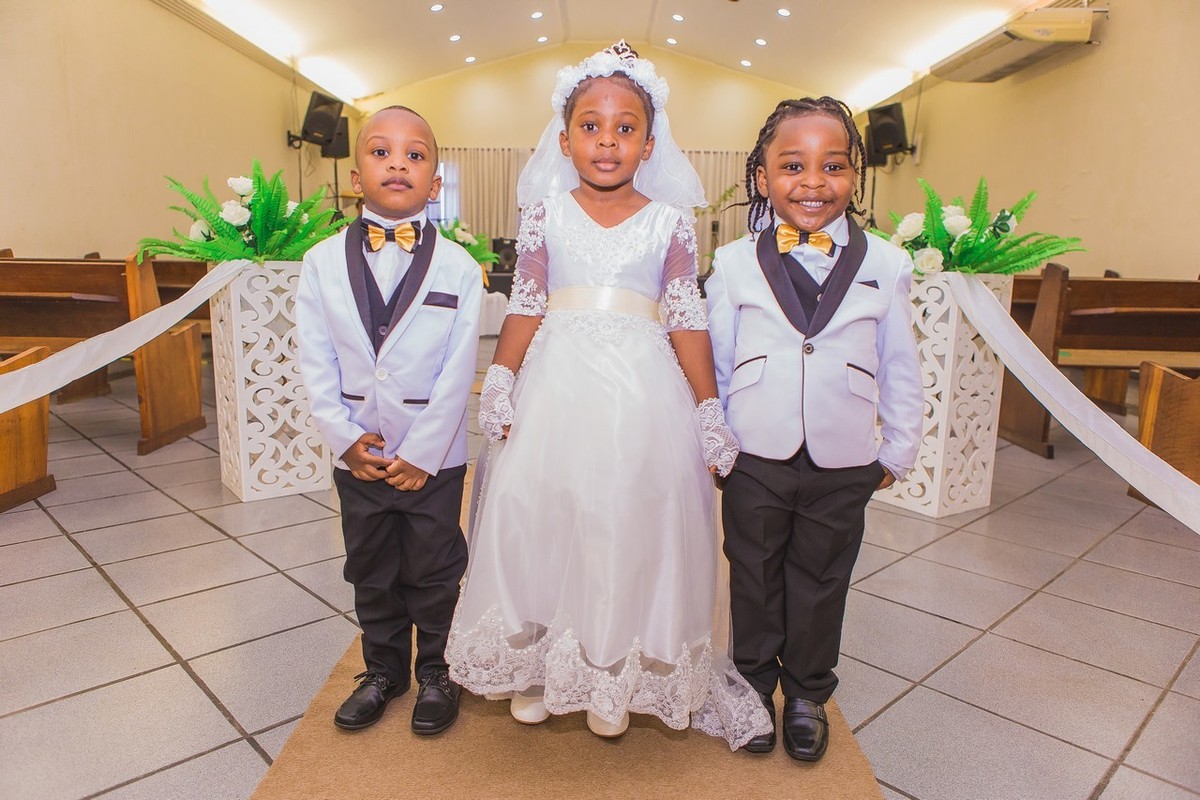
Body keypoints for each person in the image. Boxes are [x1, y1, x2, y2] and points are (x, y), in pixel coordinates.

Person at [445, 41, 772, 749]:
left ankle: (611, 671)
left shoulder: (669, 221)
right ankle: (537, 664)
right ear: (564, 140)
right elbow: (526, 303)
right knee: (541, 512)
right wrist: (500, 379)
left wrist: (708, 410)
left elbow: (684, 317)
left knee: (624, 520)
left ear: (649, 144)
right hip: (556, 383)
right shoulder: (545, 214)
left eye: (625, 128)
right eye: (591, 126)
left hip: (640, 390)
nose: (607, 141)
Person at [705, 97, 924, 761]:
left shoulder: (887, 263)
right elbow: (716, 361)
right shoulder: (733, 263)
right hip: (754, 449)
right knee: (752, 573)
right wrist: (715, 441)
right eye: (793, 165)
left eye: (832, 166)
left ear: (854, 175)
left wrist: (898, 450)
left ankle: (806, 692)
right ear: (763, 177)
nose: (813, 182)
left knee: (823, 578)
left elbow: (900, 362)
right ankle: (751, 685)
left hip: (844, 452)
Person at [295, 105, 482, 735]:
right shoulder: (321, 263)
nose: (397, 163)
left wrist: (424, 453)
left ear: (435, 182)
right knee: (370, 566)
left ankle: (437, 671)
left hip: (434, 458)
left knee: (435, 567)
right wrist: (344, 440)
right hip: (361, 454)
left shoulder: (459, 267)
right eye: (381, 152)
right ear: (356, 177)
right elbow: (315, 358)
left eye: (415, 154)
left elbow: (458, 370)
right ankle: (382, 671)